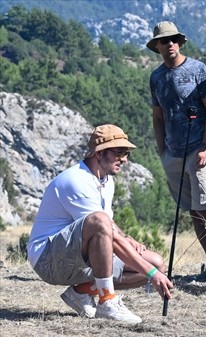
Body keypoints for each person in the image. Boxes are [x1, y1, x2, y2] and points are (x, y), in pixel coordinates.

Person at [27, 125, 174, 325]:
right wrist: (151, 273)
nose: (124, 159)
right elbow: (100, 224)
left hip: (76, 257)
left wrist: (128, 240)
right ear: (100, 153)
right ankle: (106, 301)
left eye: (126, 153)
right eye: (119, 152)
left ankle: (81, 292)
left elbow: (109, 227)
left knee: (156, 261)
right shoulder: (76, 180)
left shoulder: (105, 181)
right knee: (147, 266)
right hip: (47, 260)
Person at [147, 21, 206, 283]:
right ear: (157, 46)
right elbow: (158, 117)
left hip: (198, 150)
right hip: (173, 154)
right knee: (193, 210)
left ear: (180, 42)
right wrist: (163, 152)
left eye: (173, 39)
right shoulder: (156, 77)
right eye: (164, 40)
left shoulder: (198, 70)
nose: (169, 44)